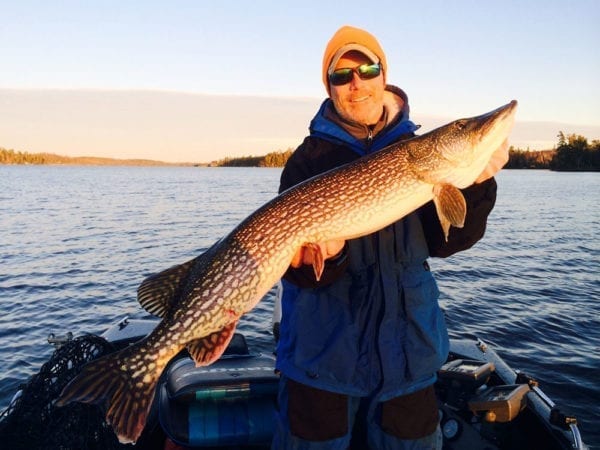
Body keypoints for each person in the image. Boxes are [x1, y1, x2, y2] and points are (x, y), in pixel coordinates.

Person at [271, 25, 508, 450]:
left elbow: (450, 241)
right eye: (341, 76)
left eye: (367, 67)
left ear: (385, 75)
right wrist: (329, 258)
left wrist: (478, 181)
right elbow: (300, 275)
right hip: (322, 364)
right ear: (329, 87)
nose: (356, 82)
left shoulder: (419, 156)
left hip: (407, 360)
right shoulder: (307, 162)